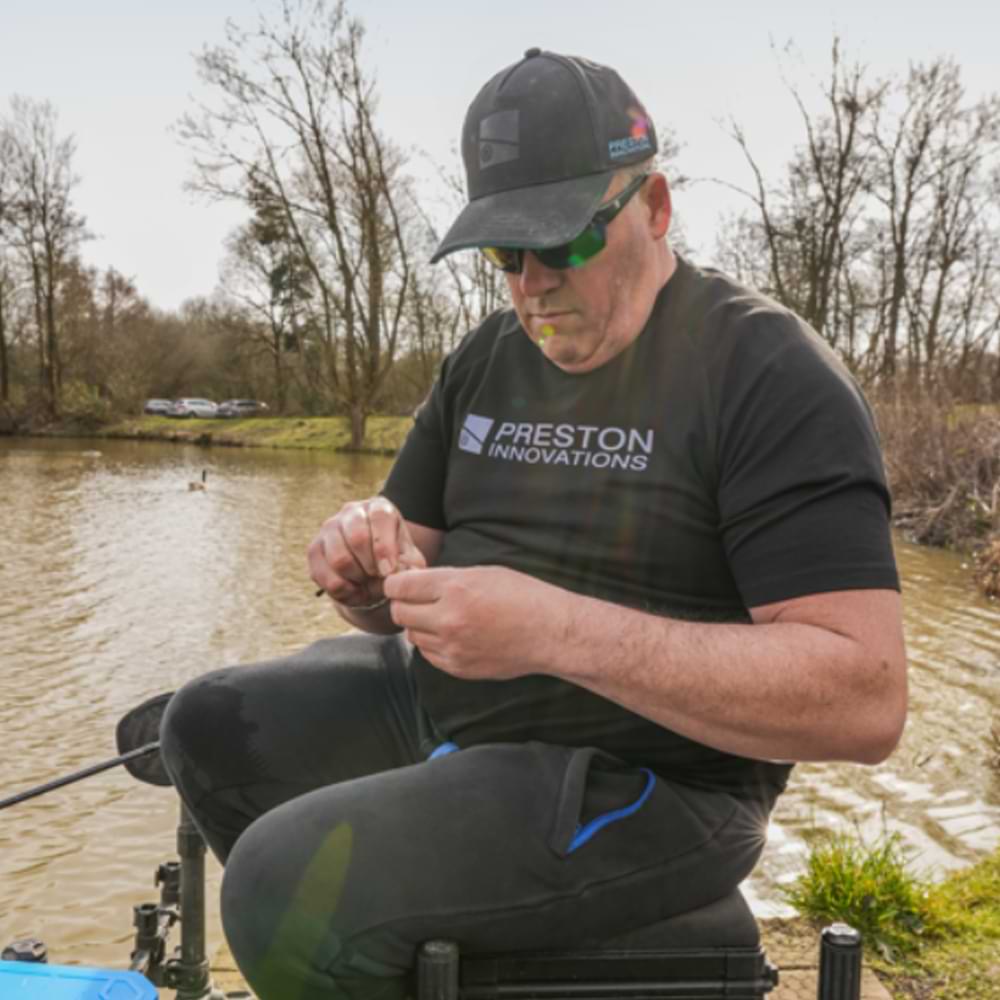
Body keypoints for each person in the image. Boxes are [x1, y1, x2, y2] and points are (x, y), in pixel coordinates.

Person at [160, 48, 907, 1000]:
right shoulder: (486, 358)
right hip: (444, 715)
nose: (531, 285)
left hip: (658, 783)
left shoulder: (767, 371)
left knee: (279, 886)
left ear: (654, 207)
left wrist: (553, 632)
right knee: (207, 724)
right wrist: (362, 569)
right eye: (504, 255)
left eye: (562, 243)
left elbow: (865, 700)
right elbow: (400, 573)